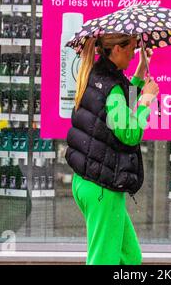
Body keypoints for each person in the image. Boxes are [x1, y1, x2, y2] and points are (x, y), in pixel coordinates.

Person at [65, 33, 159, 265]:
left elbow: (115, 108)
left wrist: (138, 73)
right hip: (101, 189)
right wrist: (146, 101)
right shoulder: (110, 85)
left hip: (88, 180)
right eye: (131, 49)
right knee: (103, 260)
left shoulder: (96, 73)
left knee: (130, 257)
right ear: (117, 49)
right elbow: (129, 134)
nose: (133, 53)